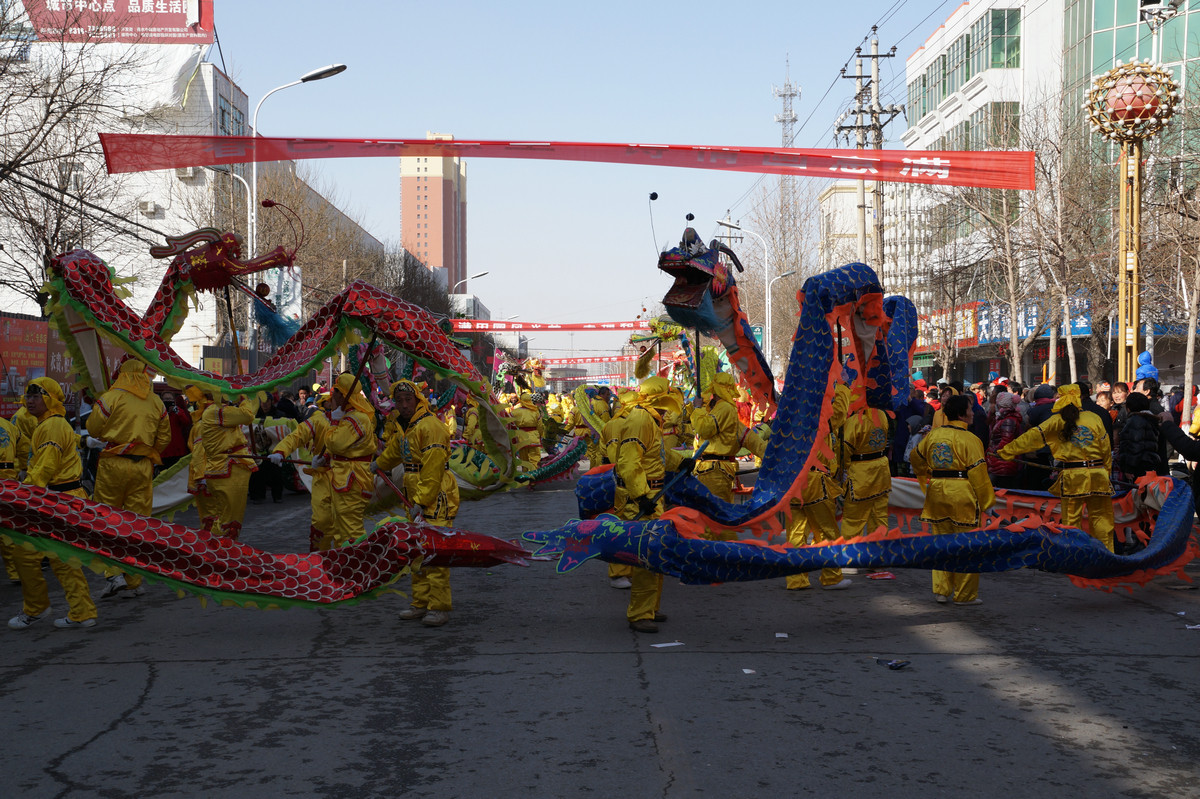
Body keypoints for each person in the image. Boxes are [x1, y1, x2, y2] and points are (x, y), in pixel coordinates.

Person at [8, 378, 99, 630]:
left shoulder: (51, 425)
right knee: (60, 558)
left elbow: (46, 465)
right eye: (28, 396)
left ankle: (40, 608)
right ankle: (80, 612)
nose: (30, 401)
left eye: (36, 396)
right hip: (58, 499)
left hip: (56, 501)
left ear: (49, 399)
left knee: (29, 554)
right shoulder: (50, 423)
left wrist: (23, 494)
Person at [375, 379, 459, 627]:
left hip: (435, 495)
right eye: (399, 400)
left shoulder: (430, 426)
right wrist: (379, 464)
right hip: (413, 493)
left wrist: (422, 501)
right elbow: (395, 451)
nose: (403, 405)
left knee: (434, 551)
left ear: (418, 400)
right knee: (416, 551)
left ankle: (439, 607)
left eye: (408, 400)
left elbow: (433, 469)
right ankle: (420, 602)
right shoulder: (406, 426)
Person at [86, 360, 171, 599]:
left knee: (107, 519)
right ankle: (134, 581)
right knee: (138, 524)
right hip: (142, 466)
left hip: (113, 463)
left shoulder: (110, 397)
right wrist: (147, 451)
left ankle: (114, 575)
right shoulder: (156, 402)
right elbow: (165, 438)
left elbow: (93, 429)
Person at [998, 384, 1115, 551]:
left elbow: (1032, 437)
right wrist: (1106, 472)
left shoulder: (1057, 420)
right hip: (1098, 476)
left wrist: (1006, 452)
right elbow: (1106, 448)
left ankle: (1073, 555)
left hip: (1073, 476)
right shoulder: (1093, 418)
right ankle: (1106, 554)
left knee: (1071, 520)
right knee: (1101, 518)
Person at [616, 377, 688, 633]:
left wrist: (680, 462)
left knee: (655, 555)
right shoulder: (640, 420)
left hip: (653, 495)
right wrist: (641, 496)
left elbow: (656, 455)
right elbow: (628, 463)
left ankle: (650, 609)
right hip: (643, 498)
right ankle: (639, 614)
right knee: (646, 557)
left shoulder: (650, 419)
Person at [910, 394, 996, 605]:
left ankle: (941, 590)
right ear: (962, 414)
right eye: (970, 409)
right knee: (967, 545)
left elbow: (915, 457)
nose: (973, 412)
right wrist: (987, 503)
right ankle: (964, 595)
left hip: (937, 491)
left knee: (940, 542)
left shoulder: (934, 434)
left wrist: (927, 472)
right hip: (962, 494)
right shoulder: (970, 439)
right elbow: (978, 474)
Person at [786, 380, 851, 591]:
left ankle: (796, 580)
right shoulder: (817, 419)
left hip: (793, 482)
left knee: (796, 533)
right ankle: (832, 577)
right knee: (827, 530)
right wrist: (842, 387)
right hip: (814, 482)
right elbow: (840, 413)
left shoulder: (789, 419)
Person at [689, 372, 766, 511]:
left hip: (714, 473)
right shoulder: (722, 413)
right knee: (717, 516)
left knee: (714, 516)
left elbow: (705, 429)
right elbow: (754, 442)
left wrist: (697, 408)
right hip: (712, 472)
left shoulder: (725, 407)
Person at [271, 393, 334, 551]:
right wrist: (281, 451)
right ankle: (320, 558)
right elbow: (297, 435)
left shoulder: (357, 419)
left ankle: (346, 561)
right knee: (321, 521)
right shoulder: (319, 420)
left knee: (346, 527)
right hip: (323, 478)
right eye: (334, 398)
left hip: (350, 479)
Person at [323, 372, 378, 549]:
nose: (333, 396)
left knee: (351, 528)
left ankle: (359, 561)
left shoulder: (355, 417)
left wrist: (334, 421)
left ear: (343, 394)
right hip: (346, 477)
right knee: (341, 527)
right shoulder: (351, 416)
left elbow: (335, 443)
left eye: (336, 392)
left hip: (352, 479)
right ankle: (343, 560)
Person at [197, 390, 259, 540]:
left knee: (228, 519)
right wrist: (244, 398)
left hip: (226, 469)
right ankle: (217, 550)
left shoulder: (216, 411)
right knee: (229, 522)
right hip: (227, 470)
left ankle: (218, 549)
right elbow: (247, 416)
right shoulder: (217, 410)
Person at [600, 388, 638, 588]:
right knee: (623, 528)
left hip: (629, 480)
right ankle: (618, 573)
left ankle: (628, 571)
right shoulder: (620, 424)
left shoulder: (617, 423)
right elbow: (618, 457)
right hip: (625, 483)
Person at [0, 412, 31, 585]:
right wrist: (25, 468)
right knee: (9, 527)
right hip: (9, 482)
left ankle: (15, 572)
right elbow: (25, 448)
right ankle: (16, 572)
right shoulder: (9, 426)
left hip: (7, 481)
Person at [1115, 392, 1166, 481]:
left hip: (1137, 467)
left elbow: (1135, 446)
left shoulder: (1135, 420)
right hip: (1150, 465)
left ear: (1128, 408)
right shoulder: (1151, 419)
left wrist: (1129, 468)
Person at [985, 392, 1025, 490]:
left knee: (1002, 491)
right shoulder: (1003, 418)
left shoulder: (1008, 421)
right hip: (1000, 462)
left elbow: (1006, 441)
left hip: (1003, 463)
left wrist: (994, 452)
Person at [508, 391, 543, 474]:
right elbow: (540, 426)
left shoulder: (515, 412)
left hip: (521, 438)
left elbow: (509, 424)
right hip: (533, 438)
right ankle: (534, 475)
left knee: (524, 460)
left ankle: (525, 476)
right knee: (535, 459)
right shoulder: (535, 411)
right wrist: (541, 435)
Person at [158, 391, 192, 471]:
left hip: (178, 449)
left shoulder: (178, 411)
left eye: (170, 399)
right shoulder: (159, 412)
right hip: (164, 450)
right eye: (166, 399)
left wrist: (176, 411)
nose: (168, 401)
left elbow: (186, 422)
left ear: (174, 400)